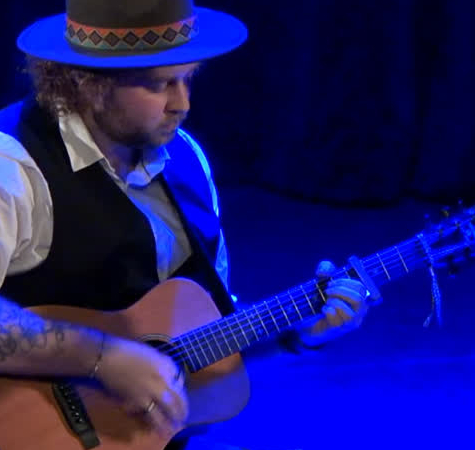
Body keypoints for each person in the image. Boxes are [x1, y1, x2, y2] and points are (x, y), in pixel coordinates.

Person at [0, 1, 369, 449]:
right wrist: (102, 358)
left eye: (187, 79)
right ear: (89, 84)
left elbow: (193, 347)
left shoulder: (186, 162)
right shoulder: (12, 165)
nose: (182, 104)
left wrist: (296, 337)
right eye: (160, 85)